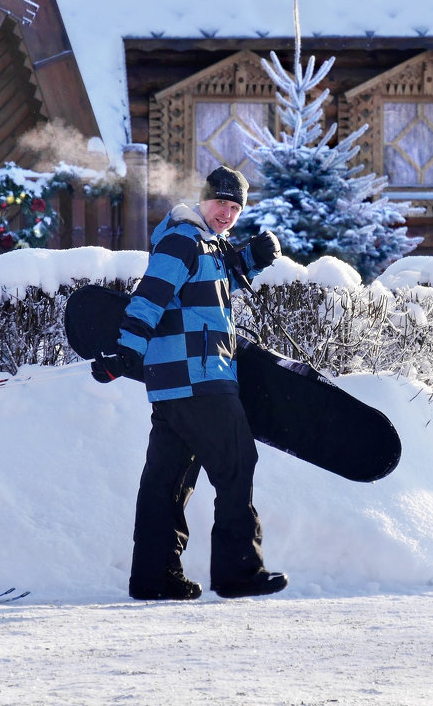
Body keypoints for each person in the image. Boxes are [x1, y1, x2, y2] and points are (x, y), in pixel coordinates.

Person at [91, 165, 287, 600]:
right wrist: (127, 348)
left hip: (175, 383)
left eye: (235, 207)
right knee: (237, 464)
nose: (227, 213)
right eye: (221, 202)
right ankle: (238, 573)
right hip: (201, 377)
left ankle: (154, 577)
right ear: (202, 199)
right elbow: (152, 294)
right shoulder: (182, 238)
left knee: (167, 480)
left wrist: (253, 257)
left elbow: (207, 292)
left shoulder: (205, 245)